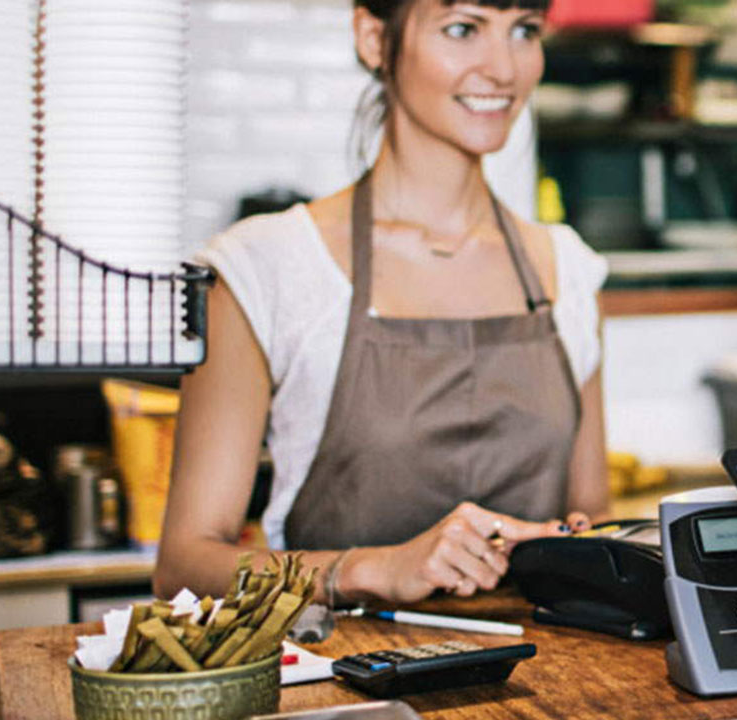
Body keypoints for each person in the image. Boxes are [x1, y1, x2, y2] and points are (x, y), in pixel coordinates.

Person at [155, 0, 610, 606]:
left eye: (524, 31)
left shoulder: (569, 270)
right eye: (462, 28)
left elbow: (595, 521)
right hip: (344, 686)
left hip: (546, 686)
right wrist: (373, 570)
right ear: (374, 38)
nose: (504, 68)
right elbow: (186, 564)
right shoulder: (265, 268)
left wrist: (579, 541)